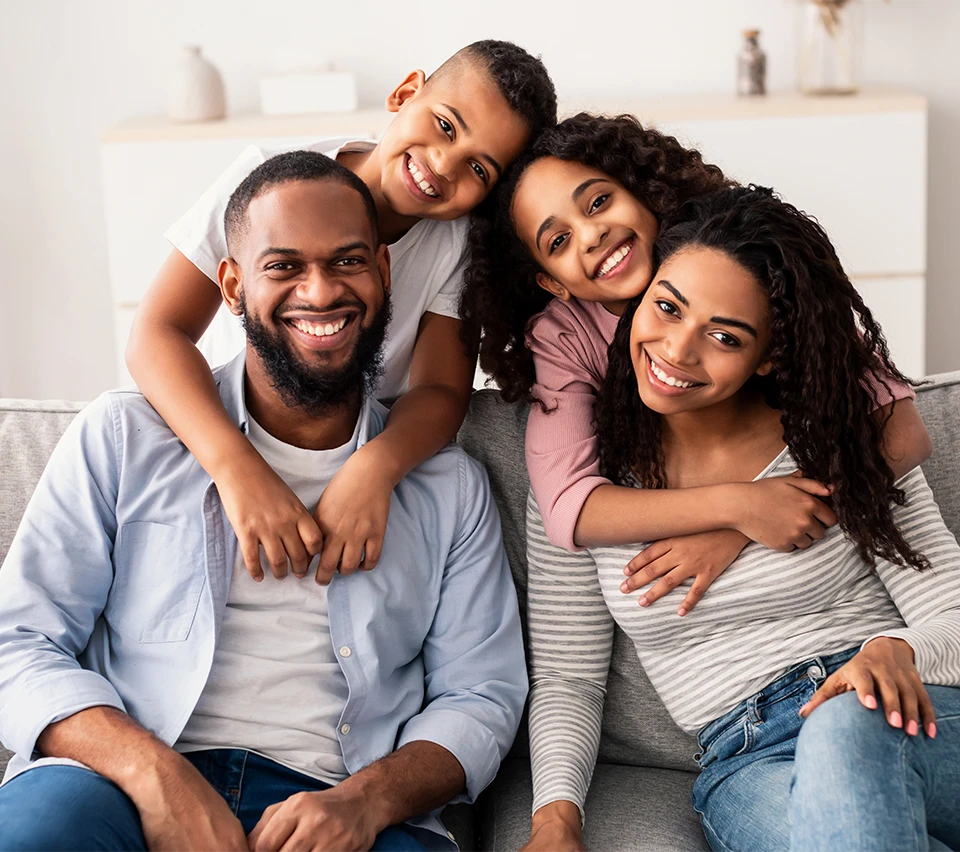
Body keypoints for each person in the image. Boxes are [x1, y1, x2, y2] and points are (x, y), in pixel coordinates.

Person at [0, 152, 526, 852]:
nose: (320, 291)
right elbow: (17, 642)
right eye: (283, 266)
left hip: (341, 800)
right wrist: (155, 776)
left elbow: (482, 695)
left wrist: (366, 802)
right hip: (120, 781)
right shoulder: (123, 436)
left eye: (347, 262)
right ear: (231, 285)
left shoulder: (448, 487)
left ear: (383, 271)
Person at [521, 185, 960, 852]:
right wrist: (555, 818)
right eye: (666, 309)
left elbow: (952, 614)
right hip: (751, 760)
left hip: (905, 715)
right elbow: (567, 677)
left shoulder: (837, 440)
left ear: (770, 356)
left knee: (847, 727)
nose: (676, 350)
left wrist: (893, 650)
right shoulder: (583, 485)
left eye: (724, 336)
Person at [461, 113, 932, 615]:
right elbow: (567, 509)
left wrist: (734, 536)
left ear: (646, 193)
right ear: (553, 282)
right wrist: (739, 507)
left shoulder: (735, 257)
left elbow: (904, 437)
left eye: (598, 202)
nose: (591, 234)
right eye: (558, 241)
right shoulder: (566, 335)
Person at [126, 40, 556, 586]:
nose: (443, 165)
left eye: (478, 167)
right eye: (446, 126)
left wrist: (373, 471)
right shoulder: (266, 184)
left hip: (345, 457)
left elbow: (440, 392)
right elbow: (156, 333)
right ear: (405, 94)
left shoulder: (457, 245)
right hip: (224, 437)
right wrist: (237, 469)